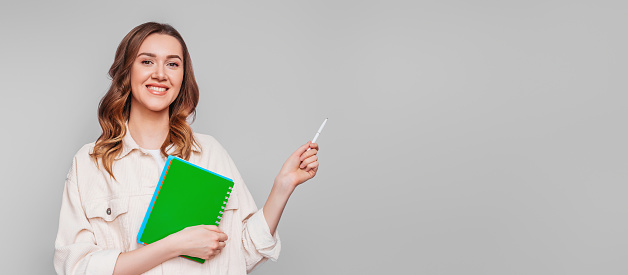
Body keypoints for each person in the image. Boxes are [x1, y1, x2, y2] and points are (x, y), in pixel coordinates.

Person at [53, 22, 320, 275]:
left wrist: (283, 186)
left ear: (183, 76)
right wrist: (175, 245)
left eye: (172, 64)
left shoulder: (210, 152)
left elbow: (245, 253)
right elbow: (78, 268)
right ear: (127, 72)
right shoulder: (91, 163)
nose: (160, 73)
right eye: (147, 61)